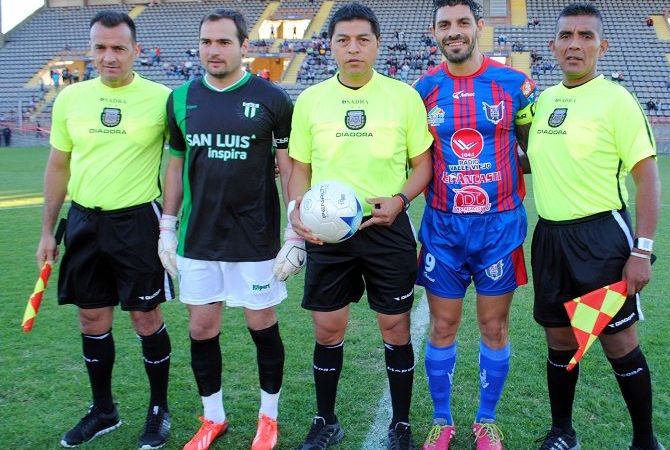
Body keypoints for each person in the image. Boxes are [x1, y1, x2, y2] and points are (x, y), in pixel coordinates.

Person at [282, 3, 433, 449]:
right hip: (328, 233)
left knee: (395, 327)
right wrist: (296, 211)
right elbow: (299, 166)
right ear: (329, 45)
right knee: (328, 329)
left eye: (362, 39)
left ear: (377, 44)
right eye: (343, 40)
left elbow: (423, 164)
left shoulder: (403, 96)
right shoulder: (310, 100)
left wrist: (401, 200)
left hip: (387, 228)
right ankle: (324, 419)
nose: (353, 48)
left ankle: (400, 423)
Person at [525, 4, 663, 450]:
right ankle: (563, 432)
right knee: (560, 340)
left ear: (601, 46)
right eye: (566, 36)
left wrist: (641, 251)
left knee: (618, 342)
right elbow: (533, 160)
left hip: (601, 239)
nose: (575, 44)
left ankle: (645, 440)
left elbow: (647, 176)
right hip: (549, 237)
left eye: (586, 36)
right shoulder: (544, 100)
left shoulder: (616, 99)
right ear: (553, 46)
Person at [35, 11, 173, 450]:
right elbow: (58, 165)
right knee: (91, 317)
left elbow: (181, 162)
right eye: (100, 48)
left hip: (137, 222)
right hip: (83, 221)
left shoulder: (162, 98)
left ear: (136, 50)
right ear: (90, 50)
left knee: (145, 317)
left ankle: (158, 409)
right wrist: (45, 231)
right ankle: (103, 410)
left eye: (118, 48)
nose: (109, 57)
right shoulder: (70, 100)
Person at [157, 9, 293, 450]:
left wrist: (294, 229)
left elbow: (288, 165)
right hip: (198, 236)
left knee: (261, 323)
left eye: (222, 42)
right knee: (201, 327)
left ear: (243, 47)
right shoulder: (180, 98)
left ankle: (267, 418)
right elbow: (175, 165)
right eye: (206, 43)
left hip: (255, 236)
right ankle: (213, 418)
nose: (213, 51)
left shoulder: (272, 99)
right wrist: (167, 224)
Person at [412, 1, 535, 449]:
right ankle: (442, 421)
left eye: (463, 22)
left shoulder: (515, 85)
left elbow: (533, 151)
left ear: (479, 27)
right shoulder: (422, 90)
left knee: (494, 328)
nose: (454, 31)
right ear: (435, 32)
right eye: (445, 25)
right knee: (442, 327)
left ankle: (486, 420)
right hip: (443, 230)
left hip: (499, 230)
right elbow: (413, 157)